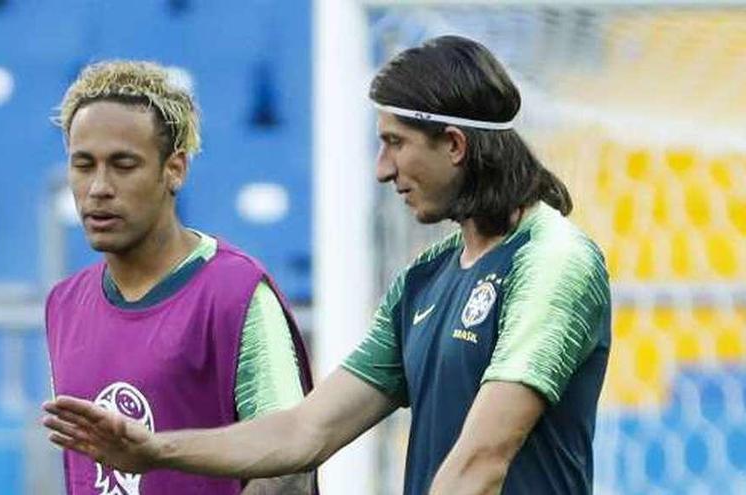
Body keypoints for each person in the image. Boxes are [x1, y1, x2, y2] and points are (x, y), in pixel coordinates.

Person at [43, 36, 612, 495]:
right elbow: (305, 430)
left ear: (455, 145)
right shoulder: (426, 279)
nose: (382, 169)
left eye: (395, 143)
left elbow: (481, 462)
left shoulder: (553, 259)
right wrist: (153, 450)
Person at [43, 60, 317, 495]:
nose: (98, 187)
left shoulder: (236, 294)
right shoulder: (64, 304)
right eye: (83, 165)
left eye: (123, 164)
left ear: (175, 169)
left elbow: (289, 469)